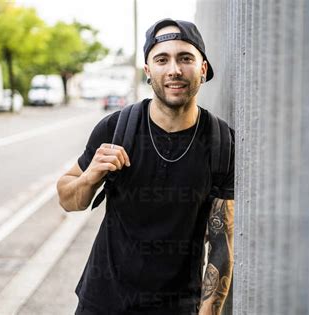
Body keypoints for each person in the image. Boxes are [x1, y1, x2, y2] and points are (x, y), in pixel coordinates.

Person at [57, 18, 234, 315]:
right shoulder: (116, 128)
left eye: (185, 58)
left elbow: (222, 246)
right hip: (102, 302)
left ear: (203, 68)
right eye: (162, 59)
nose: (174, 70)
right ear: (148, 71)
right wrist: (90, 177)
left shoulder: (221, 142)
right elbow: (67, 199)